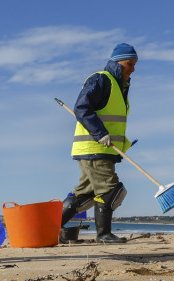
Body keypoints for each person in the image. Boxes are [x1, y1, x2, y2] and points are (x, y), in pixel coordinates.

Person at [59, 43, 138, 244]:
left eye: (135, 64)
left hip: (101, 149)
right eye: (130, 63)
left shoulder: (119, 86)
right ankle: (103, 235)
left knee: (84, 195)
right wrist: (99, 133)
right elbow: (82, 108)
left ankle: (49, 229)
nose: (133, 69)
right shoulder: (102, 80)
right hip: (95, 148)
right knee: (111, 190)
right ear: (118, 63)